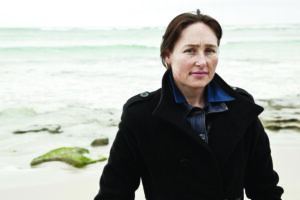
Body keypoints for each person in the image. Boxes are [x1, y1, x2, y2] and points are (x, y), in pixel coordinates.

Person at [94, 9, 283, 200]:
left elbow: (265, 190)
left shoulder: (240, 108)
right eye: (190, 50)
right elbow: (114, 194)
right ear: (168, 55)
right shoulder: (141, 115)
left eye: (210, 50)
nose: (202, 61)